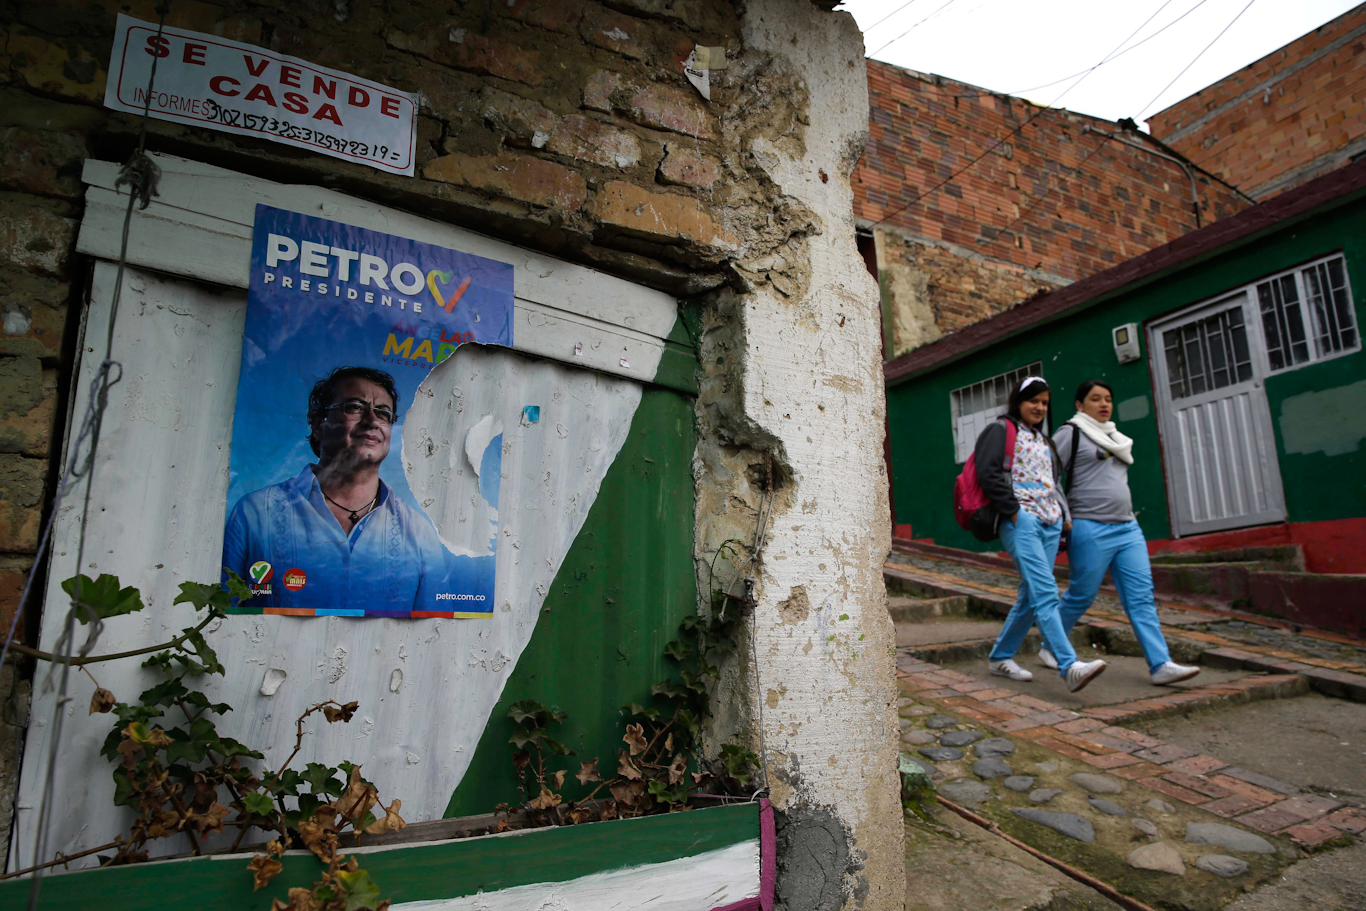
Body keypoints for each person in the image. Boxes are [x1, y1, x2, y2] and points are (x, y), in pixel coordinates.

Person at [222, 366, 460, 614]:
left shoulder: (418, 532)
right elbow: (220, 615)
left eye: (383, 413)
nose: (372, 421)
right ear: (317, 423)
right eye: (354, 407)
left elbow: (434, 627)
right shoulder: (256, 514)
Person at [1035, 380, 1201, 686]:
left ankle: (1160, 664)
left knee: (1141, 598)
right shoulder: (1071, 432)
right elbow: (1048, 475)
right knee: (1081, 595)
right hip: (1089, 526)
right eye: (1095, 399)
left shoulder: (1115, 437)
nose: (1103, 404)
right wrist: (1065, 515)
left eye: (1108, 399)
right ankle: (1050, 646)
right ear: (1079, 405)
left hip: (1127, 527)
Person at [978, 376, 1108, 692]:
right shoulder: (1001, 430)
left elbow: (1053, 481)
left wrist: (1063, 514)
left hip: (1050, 521)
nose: (1039, 407)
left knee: (1030, 593)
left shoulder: (1044, 441)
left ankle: (1000, 657)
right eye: (1033, 401)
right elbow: (988, 471)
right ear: (1018, 402)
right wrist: (1013, 511)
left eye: (1044, 403)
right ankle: (1069, 665)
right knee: (1045, 589)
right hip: (1021, 519)